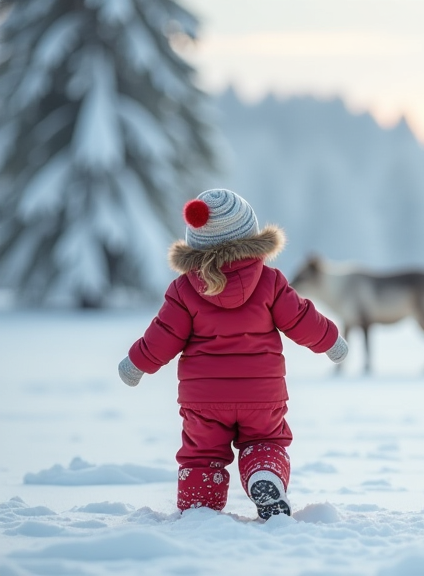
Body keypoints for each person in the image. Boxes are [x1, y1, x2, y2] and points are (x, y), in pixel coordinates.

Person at [118, 188, 348, 519]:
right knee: (266, 442)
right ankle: (264, 475)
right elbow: (301, 319)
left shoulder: (184, 290)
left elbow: (162, 337)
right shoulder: (270, 281)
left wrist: (135, 364)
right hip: (261, 396)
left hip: (204, 400)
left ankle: (199, 507)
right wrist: (332, 342)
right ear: (250, 235)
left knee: (201, 454)